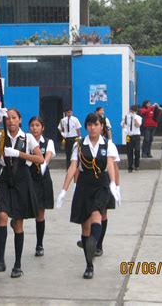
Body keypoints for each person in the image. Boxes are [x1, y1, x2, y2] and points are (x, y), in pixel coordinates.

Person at [0, 108, 44, 278]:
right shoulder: (1, 136)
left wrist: (19, 154)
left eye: (14, 118)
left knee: (17, 223)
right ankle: (1, 260)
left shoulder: (28, 138)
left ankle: (17, 264)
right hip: (5, 180)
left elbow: (40, 159)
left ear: (20, 120)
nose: (10, 121)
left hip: (22, 181)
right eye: (7, 118)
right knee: (2, 216)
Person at [57, 113, 119, 279]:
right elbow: (73, 167)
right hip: (84, 185)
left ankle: (95, 241)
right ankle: (89, 264)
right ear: (86, 127)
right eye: (90, 125)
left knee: (97, 215)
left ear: (101, 127)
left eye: (96, 124)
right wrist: (64, 190)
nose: (92, 127)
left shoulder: (108, 144)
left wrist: (114, 184)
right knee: (85, 226)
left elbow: (111, 165)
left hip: (101, 184)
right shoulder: (78, 145)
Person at [28, 116, 55, 257]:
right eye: (32, 125)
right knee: (25, 208)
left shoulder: (48, 142)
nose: (35, 128)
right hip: (28, 178)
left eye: (37, 125)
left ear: (42, 128)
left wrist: (44, 163)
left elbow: (48, 156)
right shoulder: (25, 141)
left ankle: (39, 244)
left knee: (40, 213)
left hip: (43, 179)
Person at [121, 105, 142, 173]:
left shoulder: (138, 117)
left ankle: (137, 165)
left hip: (136, 136)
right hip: (129, 136)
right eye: (131, 111)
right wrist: (125, 130)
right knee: (129, 151)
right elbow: (122, 124)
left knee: (137, 150)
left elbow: (138, 125)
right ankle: (130, 167)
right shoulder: (127, 117)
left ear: (135, 111)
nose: (131, 112)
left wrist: (135, 118)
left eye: (133, 111)